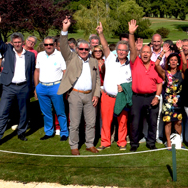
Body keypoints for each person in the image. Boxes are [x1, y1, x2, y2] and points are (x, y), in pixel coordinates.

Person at [0, 14, 36, 148]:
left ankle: (21, 132)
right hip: (8, 87)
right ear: (12, 43)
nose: (17, 44)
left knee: (24, 111)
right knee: (3, 112)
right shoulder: (7, 50)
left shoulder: (31, 56)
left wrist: (32, 88)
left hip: (24, 87)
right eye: (15, 42)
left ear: (23, 42)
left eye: (19, 42)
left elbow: (32, 73)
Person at [57, 16, 101, 155]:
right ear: (76, 49)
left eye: (86, 49)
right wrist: (65, 29)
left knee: (91, 123)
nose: (83, 51)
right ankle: (74, 146)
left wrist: (96, 94)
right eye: (81, 49)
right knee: (75, 124)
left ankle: (89, 144)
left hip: (90, 96)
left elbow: (98, 79)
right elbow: (63, 45)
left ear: (89, 49)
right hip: (75, 95)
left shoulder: (93, 61)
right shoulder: (71, 58)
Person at [128, 20, 164, 152]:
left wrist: (157, 97)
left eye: (148, 52)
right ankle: (134, 144)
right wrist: (131, 34)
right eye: (143, 52)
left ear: (151, 54)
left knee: (152, 122)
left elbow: (159, 83)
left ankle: (151, 142)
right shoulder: (135, 62)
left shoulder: (155, 66)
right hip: (137, 97)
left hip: (151, 97)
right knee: (135, 121)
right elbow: (132, 48)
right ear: (140, 53)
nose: (145, 54)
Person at [96, 23, 132, 151]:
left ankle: (121, 142)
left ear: (127, 52)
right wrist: (100, 33)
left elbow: (133, 82)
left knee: (122, 121)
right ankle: (105, 142)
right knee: (106, 121)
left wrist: (125, 87)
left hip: (122, 98)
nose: (122, 52)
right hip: (108, 97)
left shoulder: (130, 65)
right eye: (120, 49)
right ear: (116, 51)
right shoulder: (110, 58)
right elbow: (105, 46)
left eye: (124, 50)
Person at [34, 36, 69, 141]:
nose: (48, 46)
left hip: (56, 86)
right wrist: (36, 87)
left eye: (50, 44)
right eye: (46, 44)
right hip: (42, 87)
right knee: (46, 112)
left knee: (60, 111)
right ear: (43, 45)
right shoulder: (40, 55)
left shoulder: (60, 55)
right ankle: (49, 132)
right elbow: (37, 71)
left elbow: (65, 72)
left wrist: (64, 87)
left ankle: (64, 132)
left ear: (54, 44)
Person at [155, 42, 186, 149]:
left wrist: (181, 49)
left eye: (175, 60)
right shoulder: (165, 73)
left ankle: (179, 141)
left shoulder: (181, 73)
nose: (173, 62)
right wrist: (163, 52)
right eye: (171, 60)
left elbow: (185, 63)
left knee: (178, 122)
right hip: (167, 101)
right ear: (168, 62)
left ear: (178, 62)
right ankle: (168, 142)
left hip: (178, 100)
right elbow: (156, 64)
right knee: (168, 122)